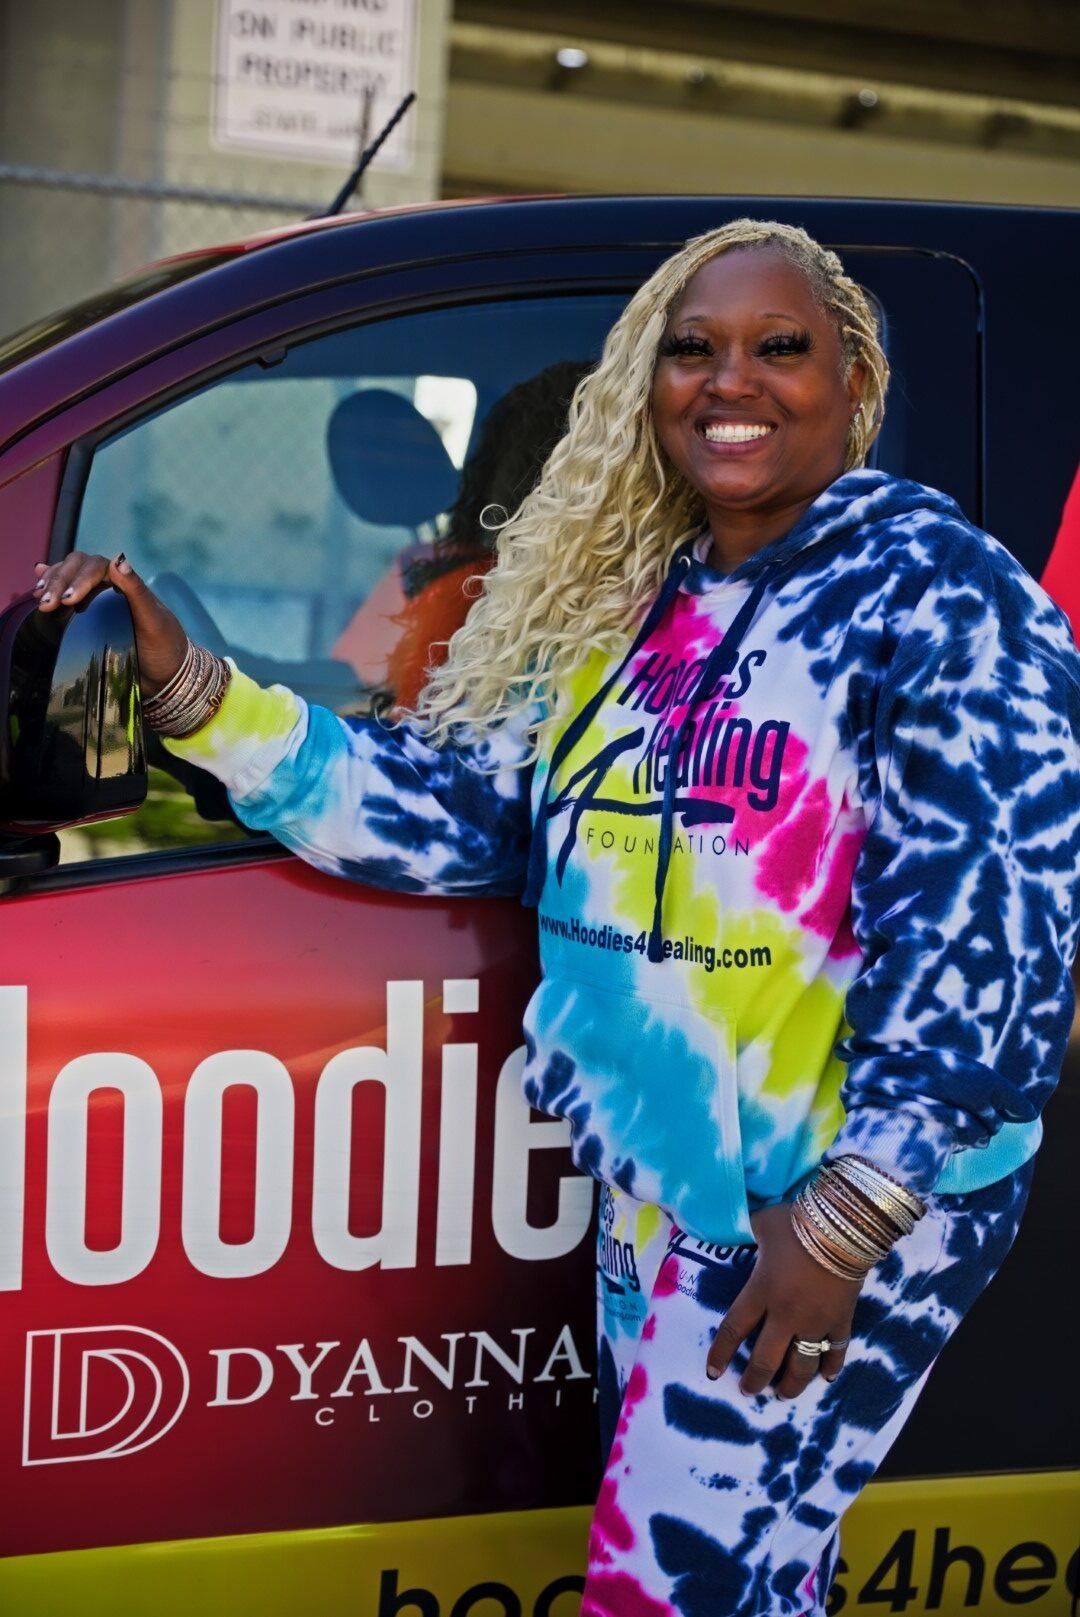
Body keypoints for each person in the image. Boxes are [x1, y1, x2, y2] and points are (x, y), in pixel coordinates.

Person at [36, 219, 1080, 1617]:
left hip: (832, 1196)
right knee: (747, 1586)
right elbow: (440, 810)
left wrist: (843, 1224)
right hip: (673, 1195)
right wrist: (193, 690)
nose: (734, 382)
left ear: (854, 379)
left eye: (783, 349)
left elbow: (995, 929)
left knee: (663, 1594)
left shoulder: (934, 594)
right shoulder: (631, 611)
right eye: (693, 350)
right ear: (646, 381)